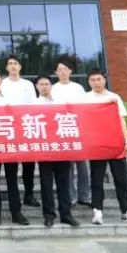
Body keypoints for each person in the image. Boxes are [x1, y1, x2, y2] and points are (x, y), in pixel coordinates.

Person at [83, 71, 127, 226]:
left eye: (99, 79)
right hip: (97, 145)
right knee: (97, 179)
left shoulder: (114, 97)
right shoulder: (85, 98)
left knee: (121, 179)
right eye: (92, 80)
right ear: (89, 82)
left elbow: (121, 120)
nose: (96, 82)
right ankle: (97, 211)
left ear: (104, 80)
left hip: (115, 143)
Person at [33, 76, 79, 228]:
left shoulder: (60, 102)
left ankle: (66, 214)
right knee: (46, 184)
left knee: (64, 183)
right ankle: (49, 215)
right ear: (37, 86)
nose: (44, 86)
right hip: (45, 150)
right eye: (41, 84)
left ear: (51, 85)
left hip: (61, 148)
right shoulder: (33, 104)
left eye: (47, 84)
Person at [0, 69, 29, 226]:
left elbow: (18, 118)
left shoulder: (11, 99)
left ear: (1, 80)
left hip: (10, 145)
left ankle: (16, 212)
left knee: (12, 180)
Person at [51, 58, 90, 206]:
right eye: (60, 69)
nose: (63, 72)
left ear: (70, 71)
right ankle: (71, 196)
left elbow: (85, 107)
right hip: (61, 130)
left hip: (78, 130)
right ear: (56, 72)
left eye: (65, 69)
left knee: (83, 165)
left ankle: (85, 195)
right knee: (67, 167)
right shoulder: (53, 89)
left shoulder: (78, 88)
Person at [2, 55, 40, 208]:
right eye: (10, 63)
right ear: (6, 67)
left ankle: (29, 194)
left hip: (26, 127)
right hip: (9, 128)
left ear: (20, 67)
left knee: (28, 164)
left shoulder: (28, 84)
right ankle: (14, 196)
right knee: (11, 165)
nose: (13, 66)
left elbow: (33, 106)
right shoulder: (3, 84)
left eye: (15, 63)